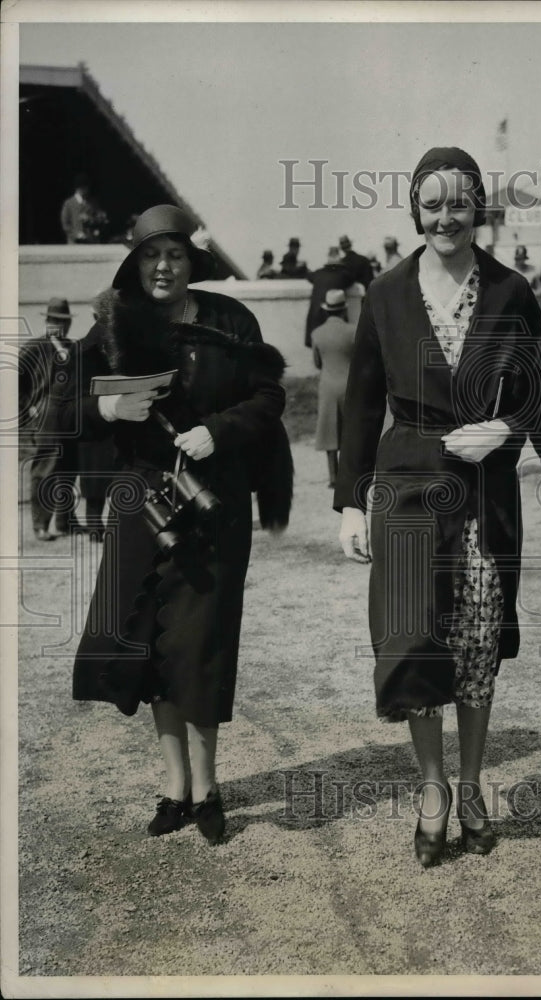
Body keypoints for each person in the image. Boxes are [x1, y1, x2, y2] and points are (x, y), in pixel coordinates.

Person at [334, 147, 541, 867]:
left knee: (475, 641)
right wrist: (349, 503)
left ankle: (469, 787)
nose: (445, 217)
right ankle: (432, 788)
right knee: (414, 641)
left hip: (484, 494)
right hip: (406, 485)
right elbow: (359, 403)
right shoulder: (386, 294)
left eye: (457, 203)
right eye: (431, 204)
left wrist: (505, 430)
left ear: (477, 209)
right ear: (415, 210)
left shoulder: (512, 291)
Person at [53, 205, 292, 844]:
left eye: (175, 254)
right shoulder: (113, 324)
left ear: (192, 261)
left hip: (213, 502)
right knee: (152, 642)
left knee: (201, 644)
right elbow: (60, 408)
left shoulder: (230, 320)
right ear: (135, 264)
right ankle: (175, 787)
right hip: (141, 505)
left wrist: (219, 430)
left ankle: (208, 787)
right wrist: (108, 406)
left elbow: (269, 395)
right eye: (151, 255)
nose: (163, 266)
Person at [18, 298, 83, 540]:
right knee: (45, 469)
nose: (60, 326)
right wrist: (29, 408)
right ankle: (41, 525)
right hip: (46, 415)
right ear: (47, 321)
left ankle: (66, 522)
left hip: (72, 415)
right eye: (55, 320)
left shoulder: (74, 348)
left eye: (64, 321)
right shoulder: (34, 348)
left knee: (69, 468)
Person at [311, 289, 357, 487]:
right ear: (344, 309)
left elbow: (317, 363)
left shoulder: (317, 333)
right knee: (350, 428)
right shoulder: (353, 331)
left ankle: (333, 476)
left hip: (328, 384)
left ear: (326, 310)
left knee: (330, 429)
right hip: (350, 384)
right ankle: (350, 473)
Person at [304, 246, 355, 348]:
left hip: (315, 320)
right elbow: (352, 278)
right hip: (333, 321)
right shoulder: (344, 275)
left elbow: (308, 276)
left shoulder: (318, 273)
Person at [60, 174, 108, 244]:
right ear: (77, 188)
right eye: (83, 188)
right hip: (75, 243)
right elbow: (65, 224)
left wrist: (90, 219)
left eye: (86, 188)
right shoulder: (68, 203)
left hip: (91, 241)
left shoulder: (93, 202)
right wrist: (76, 234)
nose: (85, 190)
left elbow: (101, 219)